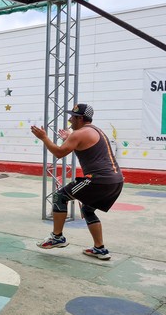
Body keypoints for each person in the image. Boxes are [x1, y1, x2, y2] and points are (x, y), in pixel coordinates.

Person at [30, 103, 123, 260]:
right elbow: (83, 146)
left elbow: (59, 153)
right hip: (116, 181)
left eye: (72, 117)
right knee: (87, 209)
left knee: (60, 197)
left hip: (98, 180)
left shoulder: (79, 134)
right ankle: (99, 248)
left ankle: (57, 237)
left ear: (80, 118)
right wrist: (69, 138)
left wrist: (44, 138)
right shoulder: (95, 130)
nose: (69, 120)